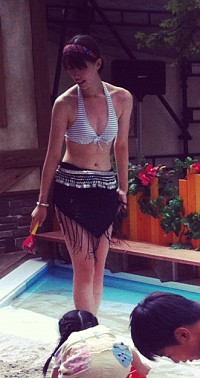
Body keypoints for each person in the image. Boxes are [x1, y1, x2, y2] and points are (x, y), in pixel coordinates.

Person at [31, 34, 133, 315]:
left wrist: (123, 187)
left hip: (105, 189)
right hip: (71, 189)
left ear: (97, 63)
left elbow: (121, 146)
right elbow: (52, 155)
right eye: (70, 68)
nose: (76, 74)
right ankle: (84, 333)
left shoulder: (122, 98)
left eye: (81, 67)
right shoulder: (64, 104)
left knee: (100, 266)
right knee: (84, 266)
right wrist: (42, 203)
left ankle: (92, 328)